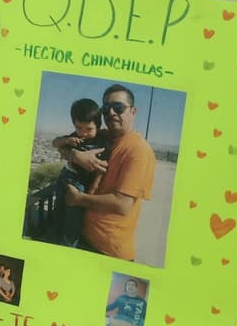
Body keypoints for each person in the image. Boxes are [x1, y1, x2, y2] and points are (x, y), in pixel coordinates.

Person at [62, 85, 155, 262]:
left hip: (108, 251)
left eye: (118, 107)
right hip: (86, 238)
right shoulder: (104, 136)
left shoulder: (138, 150)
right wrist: (75, 155)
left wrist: (78, 199)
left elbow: (122, 205)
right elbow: (63, 147)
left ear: (133, 111)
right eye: (106, 108)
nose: (111, 112)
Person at [45, 98, 112, 245]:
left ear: (98, 126)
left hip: (79, 185)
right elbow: (54, 143)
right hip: (64, 178)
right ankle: (56, 237)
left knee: (73, 219)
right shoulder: (74, 136)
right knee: (59, 211)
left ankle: (68, 245)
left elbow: (101, 170)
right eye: (79, 127)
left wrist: (91, 191)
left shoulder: (102, 142)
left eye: (89, 129)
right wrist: (67, 141)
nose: (83, 133)